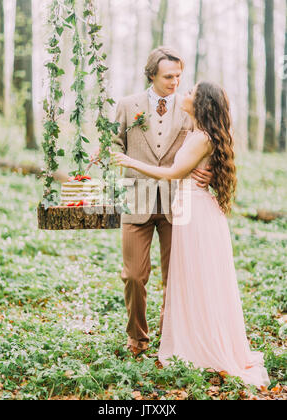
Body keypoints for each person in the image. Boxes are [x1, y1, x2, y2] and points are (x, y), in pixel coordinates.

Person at [113, 81, 270, 389]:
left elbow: (172, 172)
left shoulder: (200, 137)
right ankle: (193, 339)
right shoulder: (198, 131)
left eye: (190, 91)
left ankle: (201, 347)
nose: (183, 92)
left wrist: (130, 162)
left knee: (198, 280)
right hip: (190, 209)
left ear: (201, 104)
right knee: (193, 280)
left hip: (195, 212)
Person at [112, 47, 213, 356]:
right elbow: (114, 143)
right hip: (136, 200)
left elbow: (213, 142)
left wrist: (212, 174)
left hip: (178, 203)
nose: (175, 82)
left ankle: (171, 338)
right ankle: (137, 338)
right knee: (133, 276)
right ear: (152, 75)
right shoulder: (128, 106)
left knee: (176, 278)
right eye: (169, 76)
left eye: (179, 76)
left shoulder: (189, 109)